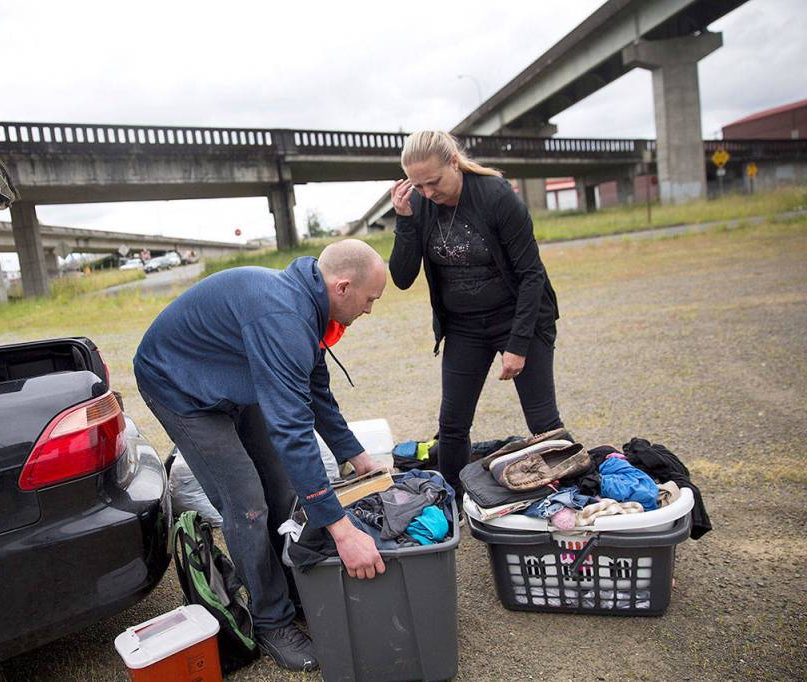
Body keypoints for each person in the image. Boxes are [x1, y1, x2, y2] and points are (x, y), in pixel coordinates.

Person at [133, 239, 388, 672]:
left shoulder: (307, 309)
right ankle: (272, 620)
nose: (369, 310)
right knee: (247, 501)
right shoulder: (284, 317)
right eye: (369, 300)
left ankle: (289, 586)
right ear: (342, 287)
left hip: (233, 375)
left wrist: (356, 455)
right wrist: (343, 531)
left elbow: (315, 391)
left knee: (281, 486)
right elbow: (292, 431)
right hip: (178, 386)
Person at [388, 130, 565, 504]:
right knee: (452, 425)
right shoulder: (418, 204)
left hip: (517, 317)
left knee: (543, 423)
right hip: (465, 327)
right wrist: (404, 220)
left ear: (454, 161)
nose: (428, 193)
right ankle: (451, 501)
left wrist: (517, 345)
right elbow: (402, 278)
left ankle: (567, 496)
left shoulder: (495, 196)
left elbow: (532, 274)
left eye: (434, 182)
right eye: (418, 186)